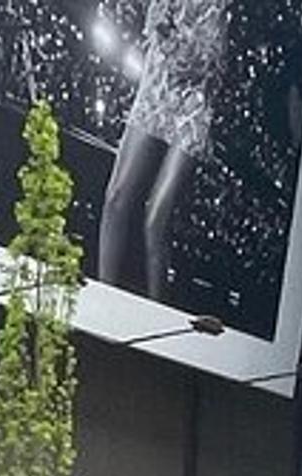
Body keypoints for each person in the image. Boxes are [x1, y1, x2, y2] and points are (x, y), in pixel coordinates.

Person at [97, 0, 231, 300]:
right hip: (155, 93)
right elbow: (129, 16)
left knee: (156, 219)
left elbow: (207, 62)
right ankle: (102, 302)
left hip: (192, 109)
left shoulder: (217, 7)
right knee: (116, 198)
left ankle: (156, 316)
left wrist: (167, 35)